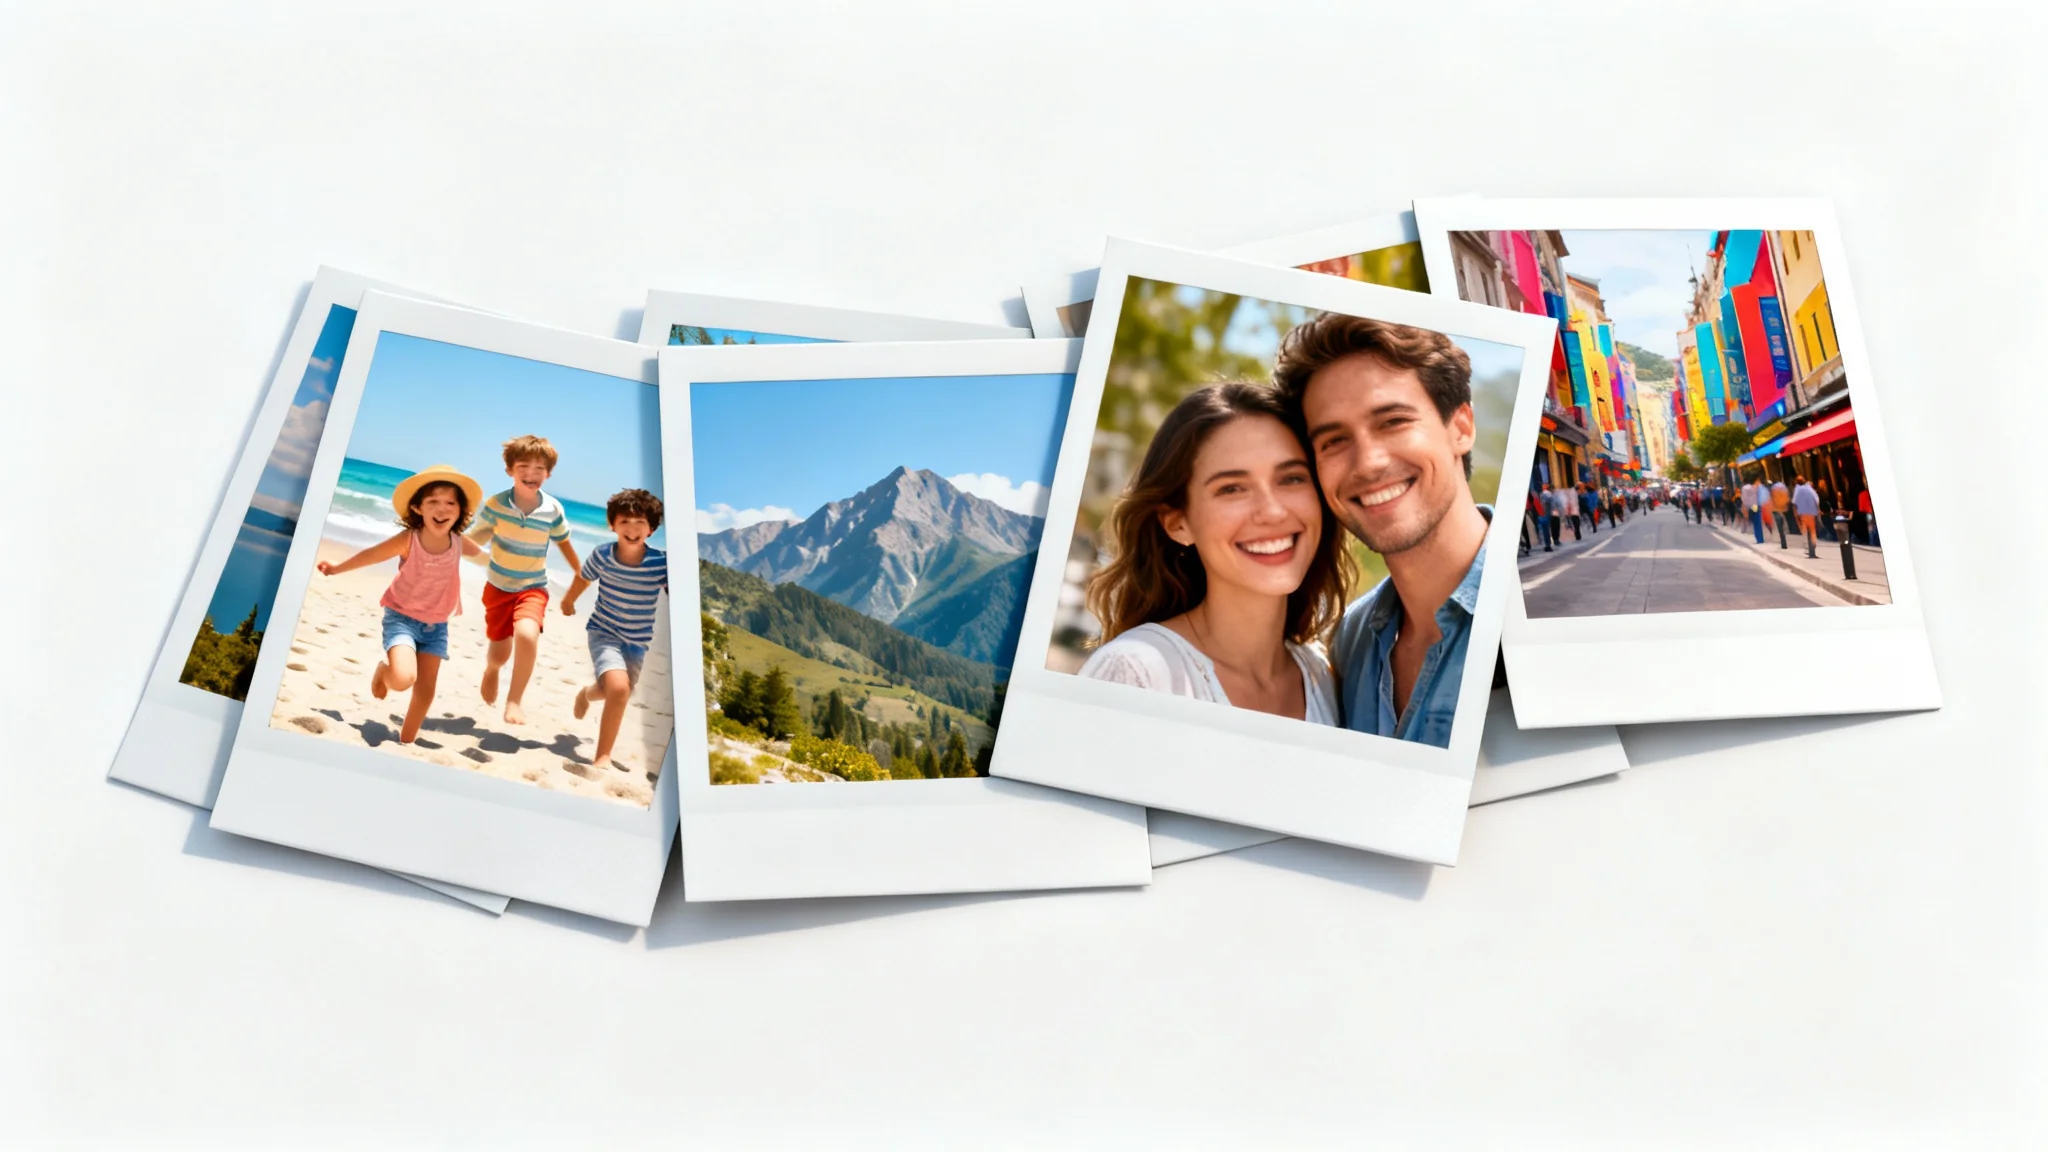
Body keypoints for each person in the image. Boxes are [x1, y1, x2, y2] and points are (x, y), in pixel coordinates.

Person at [1273, 312, 1492, 748]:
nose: (1368, 462)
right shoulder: (1349, 644)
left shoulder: (1525, 609)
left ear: (1461, 428)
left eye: (1393, 422)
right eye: (1334, 441)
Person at [1078, 383, 1346, 726]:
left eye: (1292, 478)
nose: (1273, 511)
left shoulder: (1323, 678)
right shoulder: (1135, 673)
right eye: (1231, 488)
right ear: (1177, 523)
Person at [313, 465, 484, 744]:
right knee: (404, 679)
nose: (442, 509)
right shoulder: (409, 540)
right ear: (417, 507)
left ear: (461, 511)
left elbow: (486, 556)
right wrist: (336, 568)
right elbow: (372, 555)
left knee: (426, 691)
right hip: (402, 619)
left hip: (437, 626)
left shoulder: (458, 541)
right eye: (433, 501)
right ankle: (384, 671)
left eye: (450, 503)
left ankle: (406, 741)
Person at [468, 434, 582, 725]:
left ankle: (514, 701)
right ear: (510, 469)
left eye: (539, 468)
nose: (531, 473)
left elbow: (564, 542)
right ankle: (492, 671)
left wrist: (580, 572)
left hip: (533, 587)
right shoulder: (496, 504)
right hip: (498, 587)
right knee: (499, 653)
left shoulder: (552, 509)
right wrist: (446, 541)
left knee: (527, 635)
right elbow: (476, 538)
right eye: (523, 466)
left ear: (548, 473)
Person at [561, 488, 669, 773]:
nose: (632, 529)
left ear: (652, 529)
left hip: (637, 643)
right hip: (604, 632)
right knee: (619, 689)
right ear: (612, 525)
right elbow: (584, 578)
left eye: (640, 523)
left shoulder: (661, 563)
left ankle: (586, 694)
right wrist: (568, 600)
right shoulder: (602, 555)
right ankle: (602, 757)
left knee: (617, 691)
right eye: (624, 522)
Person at [1792, 473, 1821, 558]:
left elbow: (1794, 502)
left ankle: (1810, 549)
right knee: (1811, 531)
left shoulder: (1797, 490)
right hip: (1811, 512)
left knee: (1806, 531)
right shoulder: (1809, 489)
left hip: (1803, 513)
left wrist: (1796, 513)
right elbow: (1816, 499)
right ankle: (1812, 549)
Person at [1743, 477, 1765, 543]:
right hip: (1755, 505)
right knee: (1757, 522)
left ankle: (1758, 538)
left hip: (1749, 506)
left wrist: (1745, 508)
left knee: (1754, 522)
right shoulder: (1754, 487)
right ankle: (1760, 539)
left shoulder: (1744, 488)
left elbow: (1744, 499)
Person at [1770, 477, 1791, 544]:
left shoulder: (1773, 488)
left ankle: (1783, 540)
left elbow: (1772, 498)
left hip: (1776, 508)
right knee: (1784, 522)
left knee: (1779, 526)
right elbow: (1787, 498)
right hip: (1784, 508)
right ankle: (1785, 533)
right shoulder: (1784, 488)